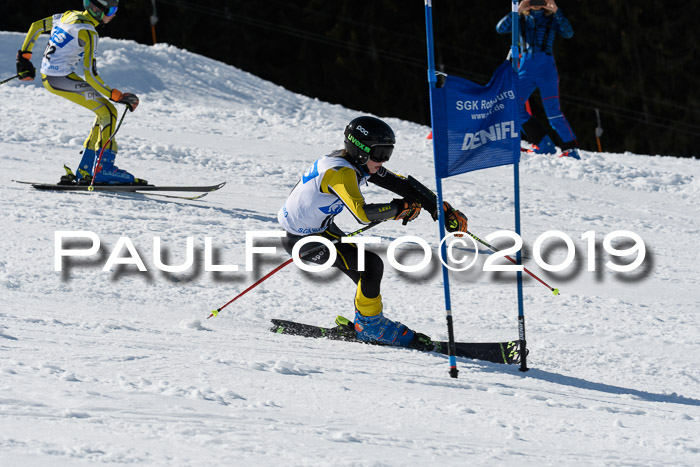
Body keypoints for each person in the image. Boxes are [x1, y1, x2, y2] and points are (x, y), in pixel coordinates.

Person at [277, 116, 469, 349]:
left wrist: (440, 209)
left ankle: (366, 323)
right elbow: (363, 214)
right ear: (361, 152)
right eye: (380, 154)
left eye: (388, 153)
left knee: (365, 275)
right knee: (370, 266)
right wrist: (399, 209)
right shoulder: (340, 172)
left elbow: (402, 185)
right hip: (302, 240)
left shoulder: (354, 163)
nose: (384, 160)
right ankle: (370, 327)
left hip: (320, 230)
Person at [16, 0, 145, 184]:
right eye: (112, 10)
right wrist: (117, 95)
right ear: (97, 10)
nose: (115, 14)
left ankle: (86, 169)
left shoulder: (69, 15)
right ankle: (104, 170)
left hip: (53, 76)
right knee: (109, 111)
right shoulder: (89, 32)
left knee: (103, 111)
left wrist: (24, 59)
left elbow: (36, 26)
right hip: (60, 78)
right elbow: (90, 75)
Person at [497, 0, 580, 159]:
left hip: (546, 67)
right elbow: (500, 29)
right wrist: (517, 11)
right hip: (526, 66)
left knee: (553, 111)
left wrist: (556, 10)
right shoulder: (521, 19)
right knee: (512, 104)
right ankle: (543, 144)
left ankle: (570, 149)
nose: (535, 3)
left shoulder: (552, 18)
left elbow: (568, 33)